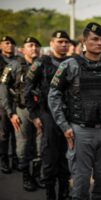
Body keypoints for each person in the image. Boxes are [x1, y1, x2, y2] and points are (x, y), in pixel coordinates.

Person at [48, 22, 101, 200]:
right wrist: (64, 125)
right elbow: (54, 95)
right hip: (80, 132)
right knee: (81, 183)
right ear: (84, 41)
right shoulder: (70, 65)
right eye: (95, 39)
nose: (99, 43)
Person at [25, 30, 70, 200]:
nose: (63, 44)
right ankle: (50, 192)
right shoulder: (41, 63)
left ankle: (65, 191)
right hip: (48, 115)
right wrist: (35, 115)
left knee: (67, 156)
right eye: (60, 41)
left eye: (66, 42)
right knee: (50, 156)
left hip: (69, 116)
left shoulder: (72, 62)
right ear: (52, 44)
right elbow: (27, 89)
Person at [0, 36, 43, 191]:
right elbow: (4, 89)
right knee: (23, 145)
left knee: (40, 145)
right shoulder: (13, 65)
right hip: (22, 110)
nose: (34, 48)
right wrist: (11, 113)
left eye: (36, 45)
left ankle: (37, 174)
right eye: (30, 45)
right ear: (23, 49)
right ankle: (26, 175)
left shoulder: (43, 65)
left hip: (41, 111)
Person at [0, 36, 17, 174]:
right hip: (2, 102)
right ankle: (4, 159)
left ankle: (16, 159)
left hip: (16, 101)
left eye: (12, 43)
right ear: (1, 45)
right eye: (7, 43)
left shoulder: (18, 61)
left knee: (17, 132)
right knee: (4, 133)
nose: (10, 45)